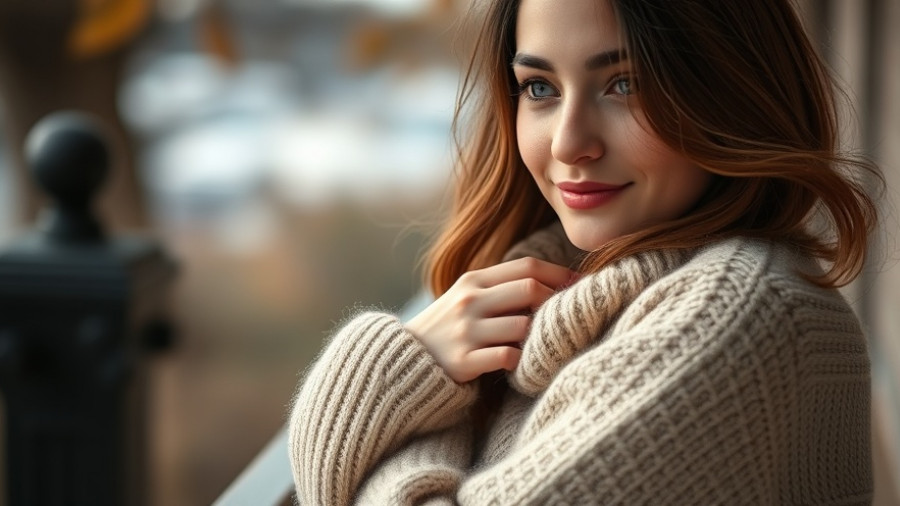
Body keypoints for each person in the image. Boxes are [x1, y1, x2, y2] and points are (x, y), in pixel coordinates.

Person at [288, 0, 881, 504]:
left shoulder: (734, 317)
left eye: (625, 84)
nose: (570, 142)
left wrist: (396, 380)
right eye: (539, 88)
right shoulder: (551, 286)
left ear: (728, 89)